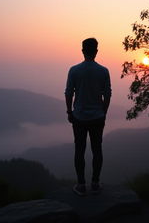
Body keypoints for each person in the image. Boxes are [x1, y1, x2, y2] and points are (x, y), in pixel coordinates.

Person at [65, 38, 112, 196]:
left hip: (79, 116)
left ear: (83, 51)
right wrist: (103, 112)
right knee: (97, 149)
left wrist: (69, 112)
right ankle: (96, 183)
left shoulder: (74, 70)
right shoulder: (103, 71)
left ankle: (81, 185)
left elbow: (69, 93)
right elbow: (108, 94)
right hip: (97, 117)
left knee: (79, 150)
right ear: (96, 51)